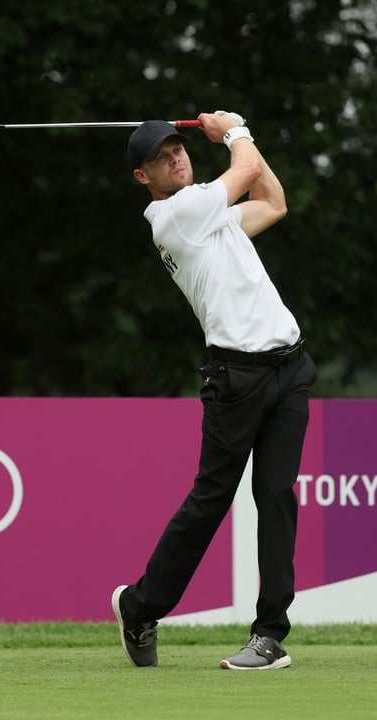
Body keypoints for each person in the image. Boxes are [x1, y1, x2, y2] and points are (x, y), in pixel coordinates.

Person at [110, 112, 316, 671]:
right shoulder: (175, 216)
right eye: (162, 157)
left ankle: (270, 634)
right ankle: (140, 605)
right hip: (237, 379)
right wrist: (236, 129)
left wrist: (242, 142)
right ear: (143, 177)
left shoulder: (210, 216)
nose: (177, 158)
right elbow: (246, 166)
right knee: (211, 501)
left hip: (289, 368)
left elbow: (273, 201)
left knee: (276, 498)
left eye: (179, 149)